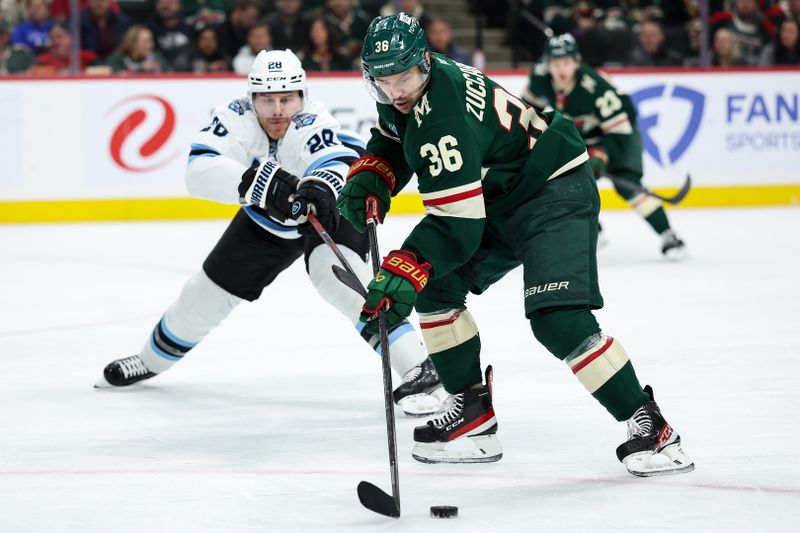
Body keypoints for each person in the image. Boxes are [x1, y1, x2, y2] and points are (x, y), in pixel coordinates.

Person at [337, 13, 694, 476]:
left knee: (558, 320)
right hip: (502, 193)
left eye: (404, 77)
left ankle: (653, 428)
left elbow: (455, 227)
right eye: (384, 81)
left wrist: (406, 265)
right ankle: (473, 416)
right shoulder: (416, 84)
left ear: (424, 62)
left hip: (553, 188)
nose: (396, 91)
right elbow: (393, 135)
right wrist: (375, 174)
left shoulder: (444, 117)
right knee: (435, 288)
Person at [95, 49, 445, 418]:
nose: (278, 110)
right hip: (267, 220)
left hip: (329, 210)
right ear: (252, 98)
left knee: (339, 279)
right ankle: (149, 360)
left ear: (302, 96)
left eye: (286, 98)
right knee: (202, 295)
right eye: (267, 99)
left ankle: (420, 368)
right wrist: (260, 184)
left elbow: (334, 160)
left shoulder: (312, 120)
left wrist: (320, 188)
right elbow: (197, 171)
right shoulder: (235, 117)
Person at [523, 33, 686, 257]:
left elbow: (619, 128)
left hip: (620, 133)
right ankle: (594, 228)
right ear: (547, 63)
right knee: (564, 181)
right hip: (583, 135)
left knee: (627, 185)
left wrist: (602, 154)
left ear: (577, 62)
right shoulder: (540, 77)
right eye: (556, 63)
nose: (561, 69)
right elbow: (528, 114)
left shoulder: (594, 86)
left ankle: (670, 236)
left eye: (567, 63)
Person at [147, 0, 195, 72]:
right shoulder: (149, 29)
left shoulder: (190, 28)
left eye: (170, 2)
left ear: (179, 5)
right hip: (158, 74)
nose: (166, 6)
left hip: (187, 74)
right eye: (162, 3)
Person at [106, 24, 170, 73]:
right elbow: (115, 75)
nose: (151, 45)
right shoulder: (117, 58)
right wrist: (141, 69)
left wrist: (159, 68)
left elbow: (168, 71)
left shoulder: (156, 56)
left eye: (151, 41)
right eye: (145, 42)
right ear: (133, 43)